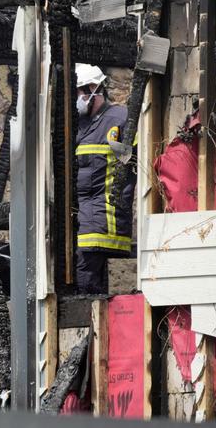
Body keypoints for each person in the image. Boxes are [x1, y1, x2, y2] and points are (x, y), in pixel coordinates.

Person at [75, 64, 136, 294]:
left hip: (104, 220)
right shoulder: (81, 124)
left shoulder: (119, 119)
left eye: (78, 92)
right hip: (85, 219)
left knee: (87, 283)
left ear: (93, 88)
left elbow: (135, 161)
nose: (76, 99)